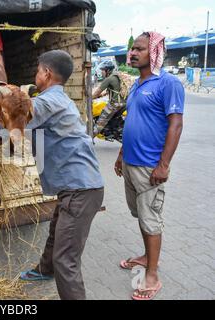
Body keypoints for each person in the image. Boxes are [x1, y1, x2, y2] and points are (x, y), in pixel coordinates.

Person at [0, 50, 105, 300]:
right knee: (56, 231)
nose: (36, 75)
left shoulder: (47, 103)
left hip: (80, 190)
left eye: (38, 71)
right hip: (75, 186)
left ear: (47, 74)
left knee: (66, 261)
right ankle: (44, 270)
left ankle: (58, 275)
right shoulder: (57, 98)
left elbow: (9, 118)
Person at [115, 32, 184, 300]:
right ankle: (146, 256)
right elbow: (133, 120)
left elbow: (176, 124)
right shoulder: (136, 85)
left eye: (140, 49)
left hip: (150, 167)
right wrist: (121, 154)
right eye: (132, 49)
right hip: (131, 163)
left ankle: (152, 276)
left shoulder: (168, 84)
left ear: (154, 52)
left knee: (151, 218)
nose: (132, 53)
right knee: (141, 215)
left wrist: (164, 165)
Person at [92, 60, 132, 135]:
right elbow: (112, 90)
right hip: (124, 104)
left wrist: (90, 98)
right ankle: (116, 130)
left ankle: (90, 138)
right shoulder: (117, 76)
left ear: (108, 70)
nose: (101, 72)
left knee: (101, 122)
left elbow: (97, 92)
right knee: (114, 118)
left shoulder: (108, 79)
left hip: (115, 104)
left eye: (103, 70)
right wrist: (101, 95)